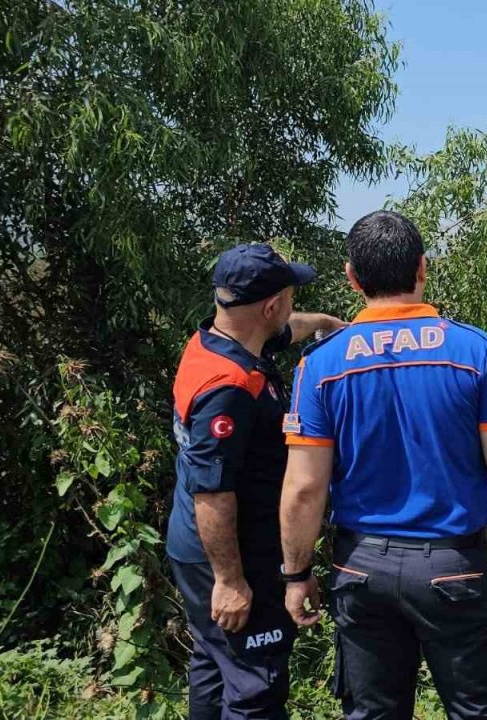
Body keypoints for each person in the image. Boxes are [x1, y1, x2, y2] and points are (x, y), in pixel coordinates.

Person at [278, 210, 487, 720]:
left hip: (361, 569)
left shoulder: (320, 366)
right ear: (423, 268)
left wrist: (296, 573)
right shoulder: (472, 351)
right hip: (455, 567)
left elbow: (305, 489)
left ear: (352, 278)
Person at [166, 243, 346, 720]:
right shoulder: (228, 390)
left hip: (190, 547)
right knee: (256, 686)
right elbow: (213, 492)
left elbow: (288, 330)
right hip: (230, 554)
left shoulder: (211, 343)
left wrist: (330, 325)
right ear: (269, 306)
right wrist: (230, 582)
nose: (291, 307)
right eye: (289, 297)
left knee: (212, 660)